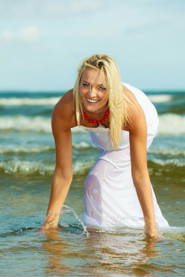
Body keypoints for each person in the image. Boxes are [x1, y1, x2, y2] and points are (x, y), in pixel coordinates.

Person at [41, 54, 169, 239]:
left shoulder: (131, 110)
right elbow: (63, 172)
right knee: (109, 178)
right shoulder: (65, 109)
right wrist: (50, 222)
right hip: (103, 128)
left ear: (112, 88)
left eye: (101, 87)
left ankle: (135, 228)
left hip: (134, 119)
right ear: (78, 83)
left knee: (97, 179)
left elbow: (140, 174)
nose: (91, 94)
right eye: (85, 85)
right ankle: (110, 236)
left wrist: (151, 227)